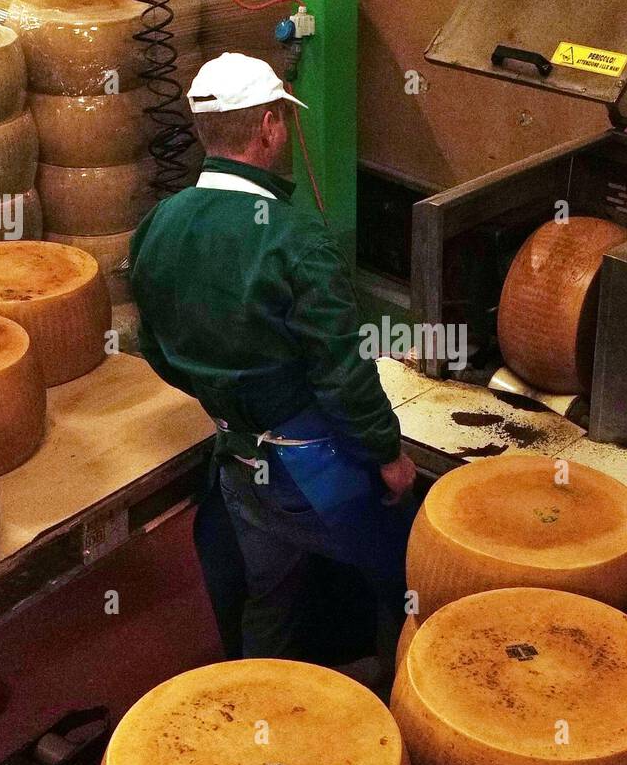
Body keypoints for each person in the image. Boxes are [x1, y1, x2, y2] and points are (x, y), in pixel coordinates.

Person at [129, 52, 418, 669]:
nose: (285, 132)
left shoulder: (159, 223)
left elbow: (153, 345)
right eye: (283, 121)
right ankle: (397, 723)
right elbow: (342, 374)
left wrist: (227, 397)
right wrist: (388, 455)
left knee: (270, 591)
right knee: (404, 582)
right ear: (266, 127)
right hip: (313, 469)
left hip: (237, 460)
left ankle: (267, 704)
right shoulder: (294, 239)